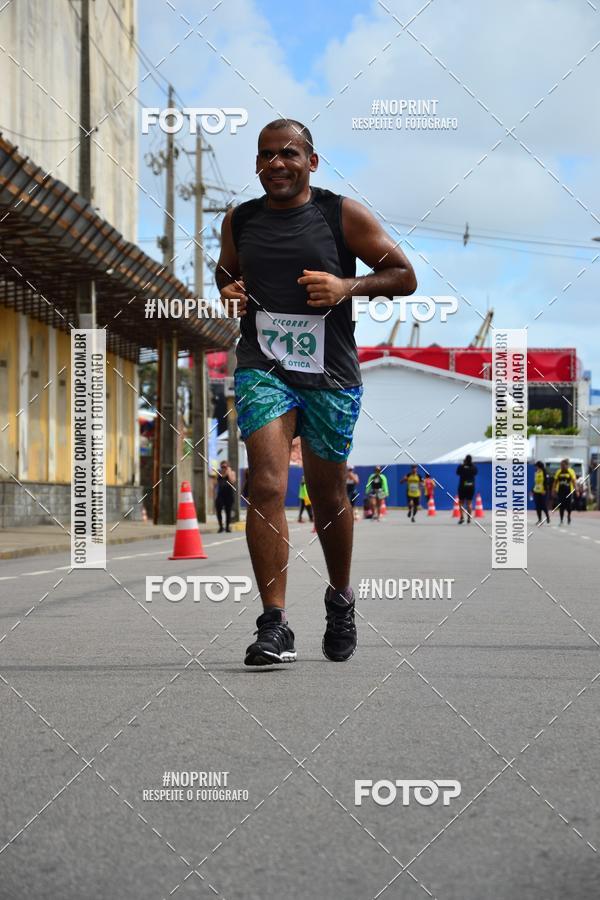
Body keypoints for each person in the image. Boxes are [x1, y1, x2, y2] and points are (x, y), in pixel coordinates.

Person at [216, 118, 417, 666]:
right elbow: (224, 274)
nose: (275, 164)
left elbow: (404, 275)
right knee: (266, 485)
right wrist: (230, 291)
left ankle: (340, 597)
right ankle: (274, 624)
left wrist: (347, 286)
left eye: (288, 153)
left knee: (328, 496)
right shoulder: (241, 219)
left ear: (312, 161)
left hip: (330, 373)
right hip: (264, 368)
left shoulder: (340, 214)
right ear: (256, 164)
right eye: (265, 155)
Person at [552, 458, 576, 525]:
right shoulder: (558, 472)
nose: (561, 466)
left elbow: (574, 482)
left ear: (567, 465)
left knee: (568, 506)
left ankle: (569, 515)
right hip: (560, 492)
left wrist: (576, 490)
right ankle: (561, 520)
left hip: (569, 491)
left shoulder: (571, 471)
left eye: (563, 465)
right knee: (561, 506)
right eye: (561, 465)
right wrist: (553, 490)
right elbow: (555, 482)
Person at [215, 460, 236, 533]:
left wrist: (229, 472)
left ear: (228, 467)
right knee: (218, 510)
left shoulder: (232, 473)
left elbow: (232, 481)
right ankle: (221, 526)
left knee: (228, 511)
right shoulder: (219, 473)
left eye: (225, 467)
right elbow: (215, 483)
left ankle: (227, 527)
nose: (223, 468)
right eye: (222, 467)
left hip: (229, 495)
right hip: (220, 495)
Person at [456, 454, 477, 524]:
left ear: (465, 460)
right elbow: (475, 473)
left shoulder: (461, 467)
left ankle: (462, 517)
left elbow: (457, 473)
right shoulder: (473, 467)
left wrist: (463, 464)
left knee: (461, 503)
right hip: (471, 486)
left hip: (462, 487)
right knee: (469, 503)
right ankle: (469, 518)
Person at [531, 460, 550, 525]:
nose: (535, 467)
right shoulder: (536, 472)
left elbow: (546, 482)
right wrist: (532, 490)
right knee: (537, 506)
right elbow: (535, 483)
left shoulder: (544, 472)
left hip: (543, 491)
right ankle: (539, 519)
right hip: (536, 491)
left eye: (536, 466)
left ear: (539, 466)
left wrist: (545, 490)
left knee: (543, 505)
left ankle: (547, 517)